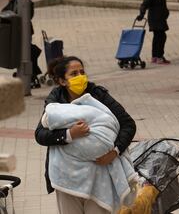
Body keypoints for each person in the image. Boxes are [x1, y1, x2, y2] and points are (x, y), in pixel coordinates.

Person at [34, 56, 137, 214]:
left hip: (99, 175)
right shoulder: (55, 102)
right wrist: (70, 133)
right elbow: (40, 135)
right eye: (74, 74)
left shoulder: (98, 94)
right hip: (67, 176)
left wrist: (115, 151)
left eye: (82, 72)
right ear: (62, 81)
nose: (80, 77)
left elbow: (128, 124)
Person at [2, 0, 41, 87]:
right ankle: (24, 73)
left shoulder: (28, 3)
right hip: (15, 33)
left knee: (28, 52)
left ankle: (31, 75)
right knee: (20, 53)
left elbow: (29, 15)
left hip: (25, 32)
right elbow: (4, 11)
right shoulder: (13, 2)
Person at [137, 0, 170, 64]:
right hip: (156, 18)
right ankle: (159, 57)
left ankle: (155, 57)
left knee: (158, 36)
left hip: (159, 17)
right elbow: (145, 3)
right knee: (161, 36)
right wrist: (141, 14)